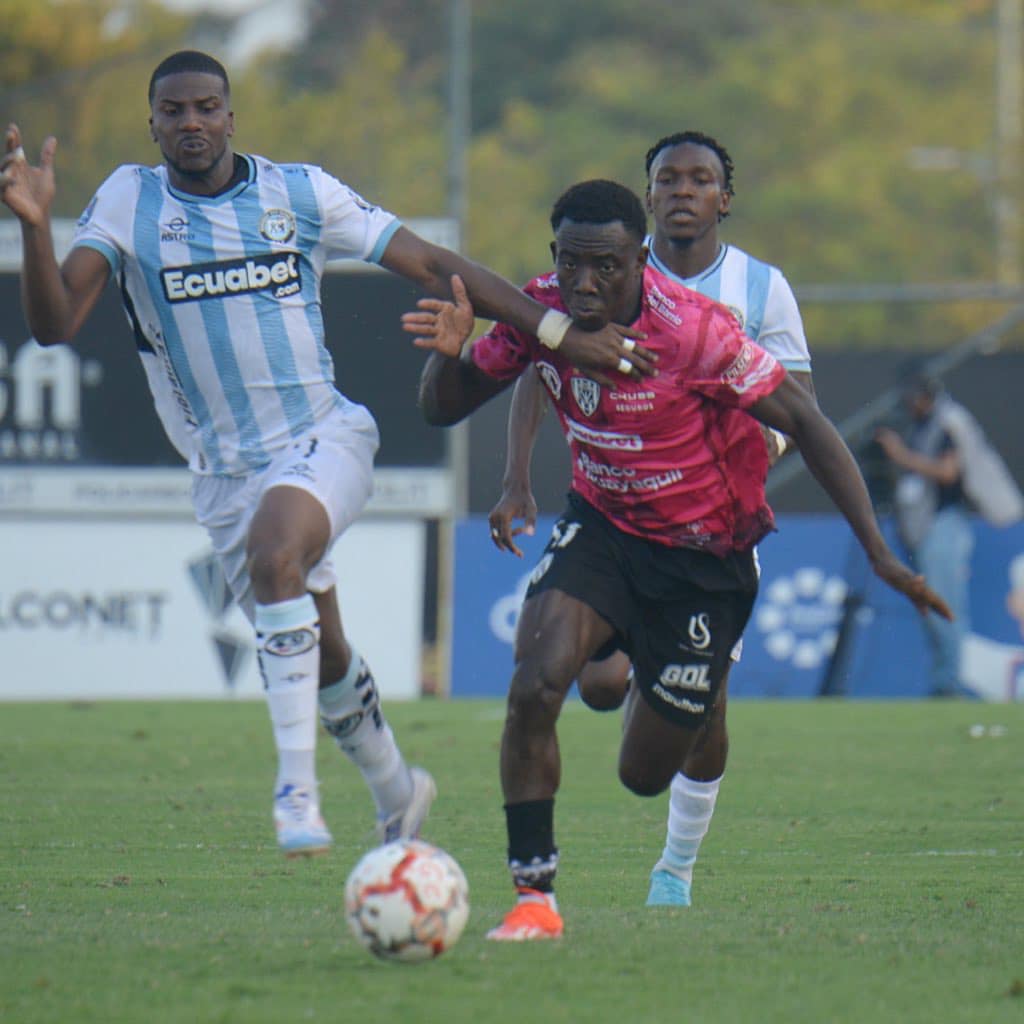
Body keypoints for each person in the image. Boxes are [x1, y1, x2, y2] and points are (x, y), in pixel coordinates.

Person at [0, 50, 654, 858]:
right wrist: (33, 228)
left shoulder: (299, 192)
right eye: (174, 111)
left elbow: (432, 264)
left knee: (279, 552)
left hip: (323, 437)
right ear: (153, 123)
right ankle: (395, 788)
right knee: (322, 648)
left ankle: (295, 791)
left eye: (208, 106)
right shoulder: (126, 201)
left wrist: (554, 331)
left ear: (232, 116)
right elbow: (54, 323)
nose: (193, 123)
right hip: (222, 473)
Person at [407, 178, 950, 940]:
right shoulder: (540, 314)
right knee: (534, 685)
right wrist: (449, 353)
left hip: (703, 561)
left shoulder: (696, 332)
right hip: (601, 529)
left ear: (641, 262)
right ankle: (535, 899)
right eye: (570, 265)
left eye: (607, 268)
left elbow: (806, 420)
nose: (584, 286)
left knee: (642, 773)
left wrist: (880, 552)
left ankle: (653, 695)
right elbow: (444, 405)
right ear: (552, 257)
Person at [487, 131, 816, 908]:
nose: (682, 190)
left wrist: (732, 454)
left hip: (710, 528)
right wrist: (516, 478)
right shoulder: (602, 268)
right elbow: (542, 360)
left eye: (700, 179)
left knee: (703, 718)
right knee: (594, 686)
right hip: (611, 518)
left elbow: (798, 397)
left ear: (723, 199)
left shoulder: (761, 287)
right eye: (667, 178)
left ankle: (676, 867)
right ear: (646, 198)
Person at [875, 374, 1023, 696]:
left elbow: (948, 472)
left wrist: (901, 456)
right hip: (926, 525)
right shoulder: (921, 426)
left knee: (946, 605)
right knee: (933, 606)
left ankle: (951, 681)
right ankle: (945, 680)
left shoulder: (948, 423)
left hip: (946, 524)